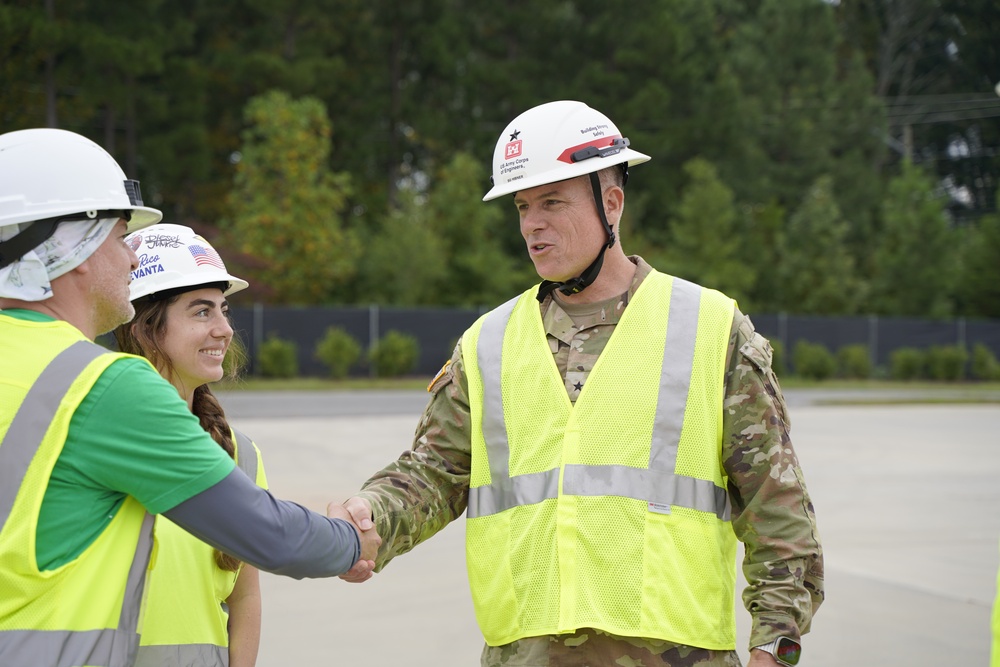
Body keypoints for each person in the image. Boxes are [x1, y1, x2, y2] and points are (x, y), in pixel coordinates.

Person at [336, 100, 823, 667]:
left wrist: (774, 643)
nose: (531, 224)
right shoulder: (487, 343)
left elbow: (777, 506)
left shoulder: (709, 328)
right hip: (528, 654)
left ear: (610, 203)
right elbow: (431, 475)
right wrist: (370, 517)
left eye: (551, 202)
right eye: (522, 206)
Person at [0, 128, 378, 667]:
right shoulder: (100, 385)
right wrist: (351, 543)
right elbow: (271, 537)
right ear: (74, 248)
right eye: (120, 234)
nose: (131, 259)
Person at [112, 224, 264, 666]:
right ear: (145, 328)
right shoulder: (98, 436)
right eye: (202, 312)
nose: (224, 330)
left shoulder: (240, 452)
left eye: (224, 310)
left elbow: (245, 595)